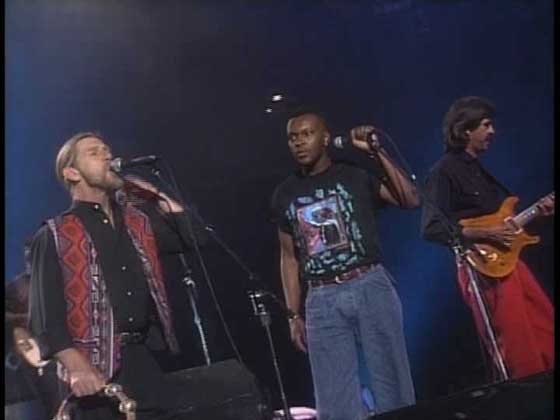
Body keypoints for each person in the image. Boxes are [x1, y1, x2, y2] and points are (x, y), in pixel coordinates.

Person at [27, 132, 207, 419]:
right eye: (94, 152)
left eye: (107, 150)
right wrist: (76, 367)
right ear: (72, 173)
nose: (107, 155)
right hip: (94, 369)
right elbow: (44, 317)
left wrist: (156, 195)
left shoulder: (138, 223)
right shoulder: (54, 234)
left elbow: (196, 238)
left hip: (147, 360)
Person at [270, 111, 418, 419]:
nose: (299, 142)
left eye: (307, 134)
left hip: (368, 284)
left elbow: (410, 200)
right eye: (293, 137)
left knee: (392, 384)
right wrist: (293, 314)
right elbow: (288, 257)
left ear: (325, 138)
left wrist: (376, 152)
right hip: (321, 298)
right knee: (334, 398)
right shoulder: (285, 193)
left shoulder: (354, 175)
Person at [421, 96, 554, 380]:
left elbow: (503, 222)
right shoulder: (443, 171)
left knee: (545, 328)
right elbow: (431, 227)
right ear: (465, 130)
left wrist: (537, 212)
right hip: (483, 268)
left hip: (509, 262)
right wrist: (484, 233)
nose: (492, 131)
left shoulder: (479, 169)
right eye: (485, 125)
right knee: (517, 345)